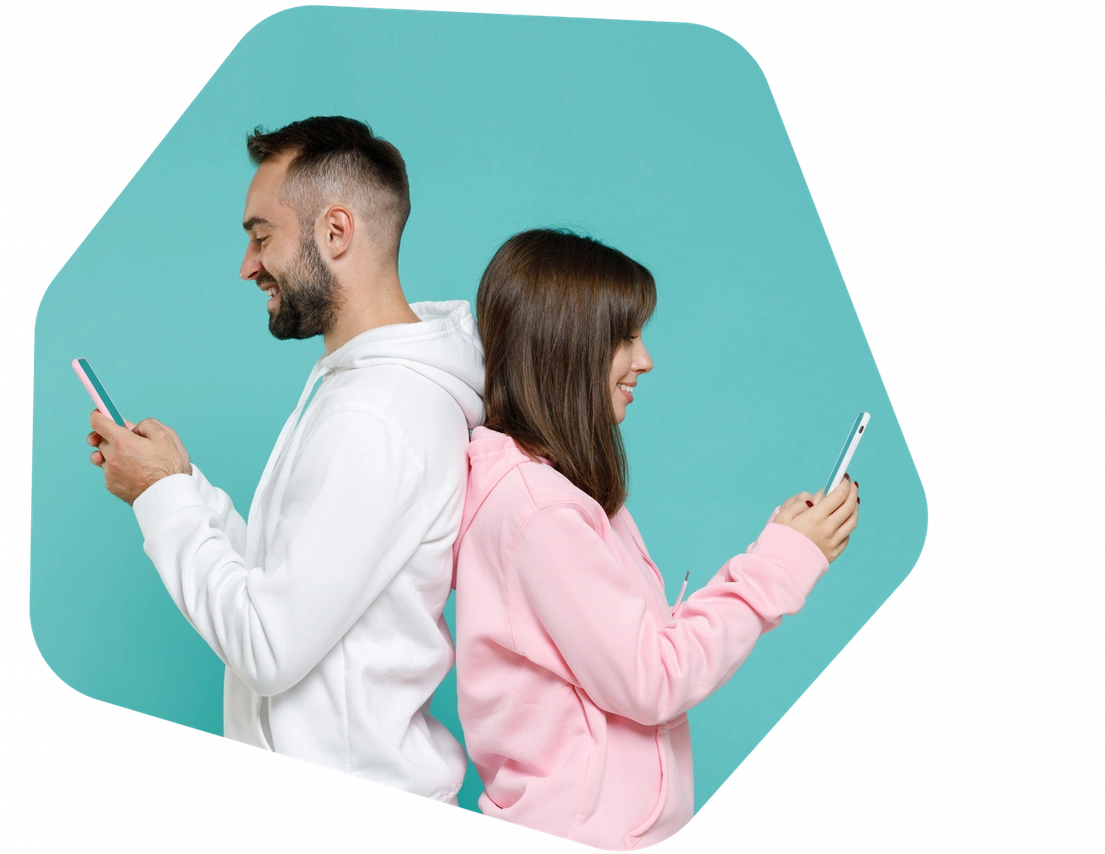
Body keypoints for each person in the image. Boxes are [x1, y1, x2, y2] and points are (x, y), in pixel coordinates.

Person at [85, 116, 485, 806]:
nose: (246, 264)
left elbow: (268, 647)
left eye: (260, 235)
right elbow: (284, 587)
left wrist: (159, 501)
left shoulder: (377, 415)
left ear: (335, 232)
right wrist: (182, 487)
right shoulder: (357, 386)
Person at [450, 228, 860, 849]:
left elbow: (646, 649)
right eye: (625, 337)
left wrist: (775, 547)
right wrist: (781, 564)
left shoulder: (558, 493)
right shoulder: (538, 513)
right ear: (569, 344)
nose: (645, 360)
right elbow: (654, 679)